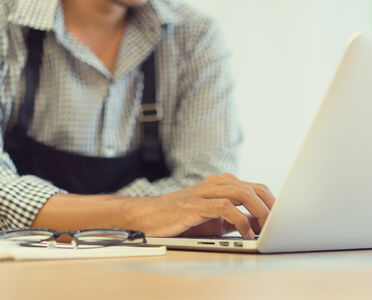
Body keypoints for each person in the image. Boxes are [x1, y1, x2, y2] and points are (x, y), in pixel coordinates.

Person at [0, 0, 275, 239]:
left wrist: (72, 214)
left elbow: (205, 183)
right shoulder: (6, 21)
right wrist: (147, 212)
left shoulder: (194, 35)